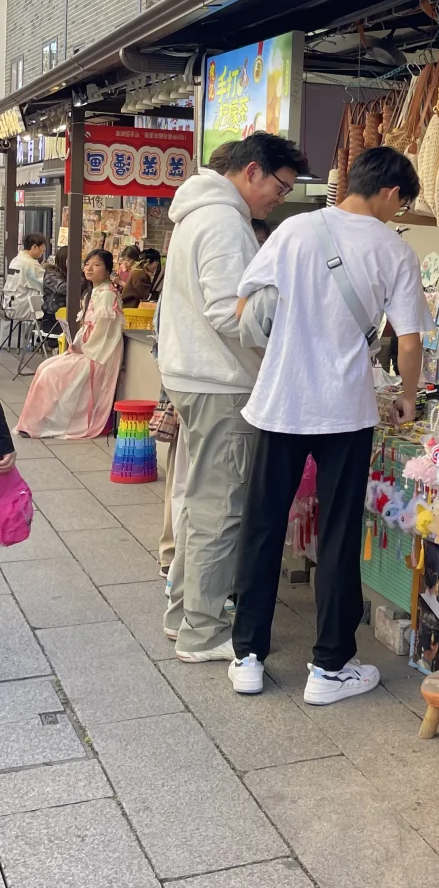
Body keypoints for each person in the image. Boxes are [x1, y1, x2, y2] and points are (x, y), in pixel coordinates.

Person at [228, 145, 430, 704]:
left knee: (262, 525)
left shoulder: (295, 230)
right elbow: (409, 341)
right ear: (391, 193)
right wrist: (408, 397)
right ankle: (330, 667)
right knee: (339, 532)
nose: (397, 213)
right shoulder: (395, 251)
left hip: (282, 400)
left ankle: (247, 656)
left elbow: (245, 308)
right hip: (345, 409)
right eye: (400, 204)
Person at [158, 132, 309, 663]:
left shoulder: (199, 212)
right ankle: (201, 631)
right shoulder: (224, 220)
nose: (279, 199)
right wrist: (285, 326)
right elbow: (230, 311)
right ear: (252, 171)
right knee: (220, 509)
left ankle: (185, 616)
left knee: (201, 503)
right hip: (219, 380)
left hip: (195, 374)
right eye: (280, 187)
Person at [16, 250, 124, 440]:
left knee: (52, 372)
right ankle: (39, 421)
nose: (89, 268)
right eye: (87, 264)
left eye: (96, 265)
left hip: (99, 354)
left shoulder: (107, 294)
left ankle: (49, 422)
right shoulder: (94, 292)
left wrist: (81, 347)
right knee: (45, 367)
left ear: (108, 270)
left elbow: (103, 333)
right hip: (87, 349)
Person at [5, 232, 46, 324]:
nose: (43, 252)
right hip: (24, 308)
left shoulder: (15, 260)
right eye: (42, 249)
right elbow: (44, 284)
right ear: (35, 247)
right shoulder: (30, 264)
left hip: (10, 305)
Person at [41, 247, 68, 338]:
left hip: (69, 316)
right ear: (62, 259)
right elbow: (63, 289)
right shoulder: (51, 274)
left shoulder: (71, 273)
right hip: (53, 319)